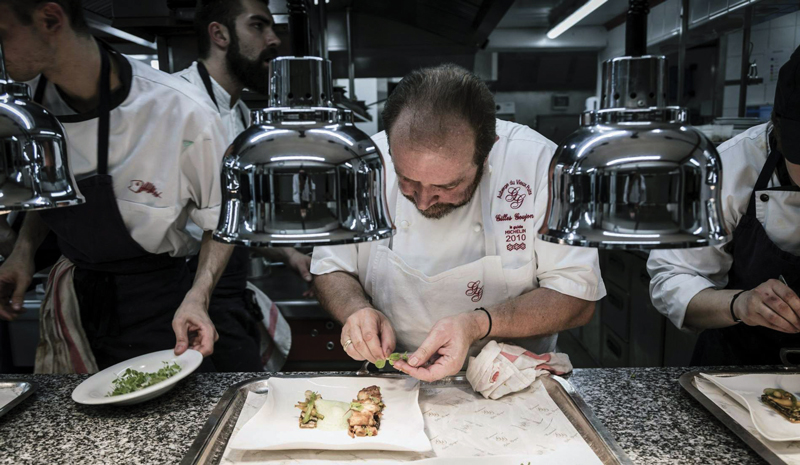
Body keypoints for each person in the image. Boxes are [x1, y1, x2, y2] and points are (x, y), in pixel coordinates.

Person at [310, 64, 606, 382]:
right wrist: (355, 310)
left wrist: (476, 324)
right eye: (406, 179)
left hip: (514, 381)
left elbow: (576, 295)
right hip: (395, 378)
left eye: (447, 186)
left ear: (488, 148)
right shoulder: (363, 163)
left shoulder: (540, 164)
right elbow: (331, 267)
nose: (422, 201)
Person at [0, 0, 233, 372]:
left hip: (159, 306)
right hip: (77, 298)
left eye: (2, 34)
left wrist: (198, 297)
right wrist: (23, 253)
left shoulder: (181, 110)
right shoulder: (25, 108)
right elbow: (53, 188)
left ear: (49, 19)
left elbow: (221, 220)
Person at [174, 0, 311, 371]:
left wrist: (290, 255)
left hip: (226, 290)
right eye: (258, 27)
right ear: (219, 34)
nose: (274, 39)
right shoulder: (176, 104)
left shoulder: (241, 114)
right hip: (179, 294)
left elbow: (236, 215)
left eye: (274, 29)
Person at [648, 45, 800, 366]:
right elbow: (672, 277)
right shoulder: (727, 166)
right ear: (780, 134)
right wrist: (741, 304)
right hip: (738, 366)